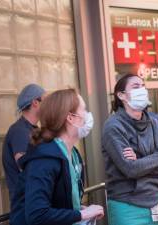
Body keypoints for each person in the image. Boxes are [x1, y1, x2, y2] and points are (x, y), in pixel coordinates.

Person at [11, 89, 104, 225]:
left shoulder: (72, 154)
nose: (88, 115)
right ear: (71, 118)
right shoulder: (45, 159)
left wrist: (77, 211)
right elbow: (37, 214)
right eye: (84, 110)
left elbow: (58, 201)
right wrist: (81, 214)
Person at [102, 74, 158, 225]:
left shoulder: (155, 122)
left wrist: (142, 161)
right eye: (136, 87)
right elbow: (130, 169)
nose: (142, 90)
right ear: (121, 95)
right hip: (127, 206)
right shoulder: (113, 126)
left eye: (143, 86)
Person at [2, 84, 45, 210]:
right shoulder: (19, 131)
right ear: (35, 102)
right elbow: (25, 166)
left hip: (33, 200)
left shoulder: (34, 130)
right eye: (45, 101)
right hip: (25, 204)